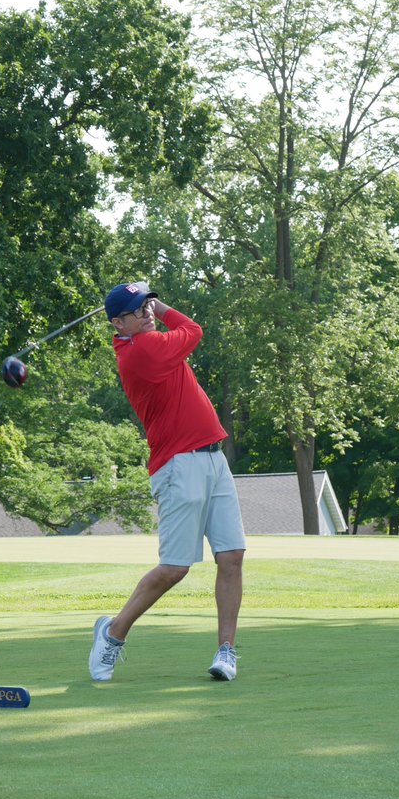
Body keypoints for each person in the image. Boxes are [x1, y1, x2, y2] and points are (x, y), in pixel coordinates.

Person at [89, 282, 246, 682]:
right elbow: (194, 330)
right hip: (179, 466)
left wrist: (151, 308)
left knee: (231, 557)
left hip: (213, 458)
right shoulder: (141, 351)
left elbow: (185, 334)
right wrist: (165, 307)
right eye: (137, 309)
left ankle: (226, 651)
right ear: (118, 323)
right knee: (175, 568)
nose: (147, 312)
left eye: (147, 305)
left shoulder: (148, 340)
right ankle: (112, 633)